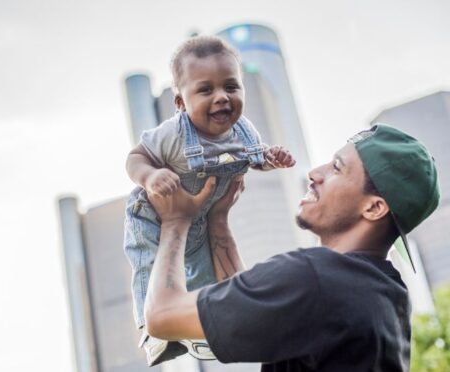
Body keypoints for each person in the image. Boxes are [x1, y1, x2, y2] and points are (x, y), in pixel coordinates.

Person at [144, 124, 440, 371]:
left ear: (374, 208)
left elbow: (162, 317)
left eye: (337, 168)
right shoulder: (386, 295)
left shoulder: (315, 278)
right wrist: (217, 222)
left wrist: (175, 221)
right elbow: (257, 309)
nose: (314, 173)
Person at [123, 35, 295, 366]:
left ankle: (199, 328)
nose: (221, 98)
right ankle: (153, 328)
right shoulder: (173, 133)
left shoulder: (244, 131)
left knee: (203, 272)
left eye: (231, 87)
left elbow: (255, 158)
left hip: (200, 217)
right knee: (149, 263)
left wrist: (270, 158)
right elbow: (136, 157)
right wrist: (150, 176)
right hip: (155, 216)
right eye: (206, 90)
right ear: (180, 102)